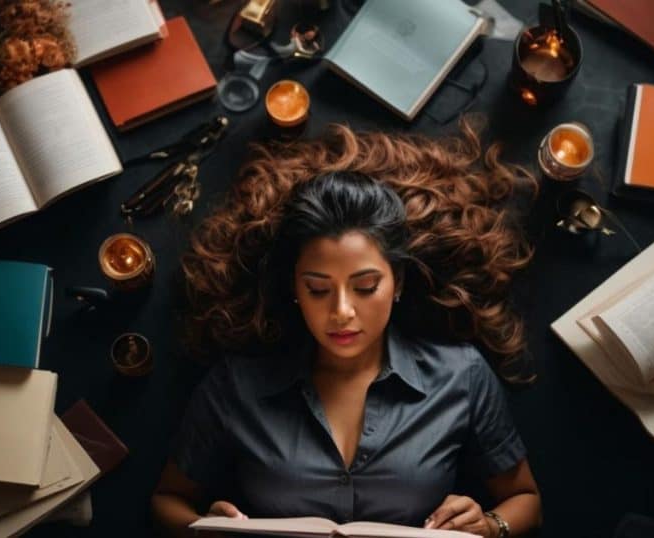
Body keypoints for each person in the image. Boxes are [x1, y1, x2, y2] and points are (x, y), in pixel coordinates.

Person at [152, 121, 541, 537]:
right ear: (295, 289)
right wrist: (204, 529)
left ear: (398, 284)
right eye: (318, 289)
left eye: (366, 287)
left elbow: (526, 500)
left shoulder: (460, 376)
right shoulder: (237, 384)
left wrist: (490, 526)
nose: (341, 312)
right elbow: (166, 501)